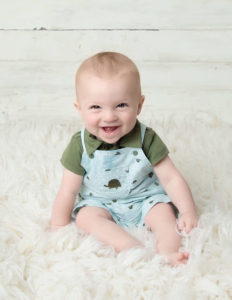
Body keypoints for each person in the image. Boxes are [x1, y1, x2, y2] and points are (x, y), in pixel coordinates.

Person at [51, 51, 198, 266]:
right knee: (85, 217)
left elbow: (171, 179)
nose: (109, 116)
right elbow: (68, 190)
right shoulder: (79, 144)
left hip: (145, 198)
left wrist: (188, 211)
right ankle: (130, 247)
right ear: (79, 109)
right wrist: (58, 226)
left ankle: (168, 252)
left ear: (139, 105)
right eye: (95, 107)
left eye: (121, 105)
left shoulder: (146, 138)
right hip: (100, 202)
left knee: (165, 214)